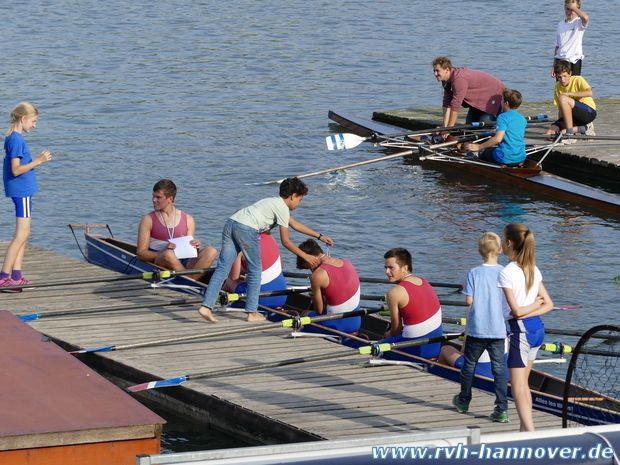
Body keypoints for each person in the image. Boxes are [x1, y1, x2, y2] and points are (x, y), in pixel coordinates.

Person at [198, 177, 333, 323]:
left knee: (222, 268)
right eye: (299, 200)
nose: (299, 204)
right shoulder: (282, 207)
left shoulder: (272, 202)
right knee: (256, 270)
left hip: (231, 222)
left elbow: (296, 225)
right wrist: (305, 256)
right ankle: (252, 312)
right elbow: (286, 242)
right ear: (293, 196)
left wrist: (319, 236)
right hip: (246, 228)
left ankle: (206, 306)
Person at [499, 223, 554, 432]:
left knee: (517, 386)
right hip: (537, 330)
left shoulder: (506, 273)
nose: (502, 243)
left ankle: (530, 434)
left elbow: (516, 312)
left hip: (519, 331)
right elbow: (548, 304)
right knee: (524, 384)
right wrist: (536, 305)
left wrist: (528, 308)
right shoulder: (532, 268)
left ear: (509, 243)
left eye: (503, 239)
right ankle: (524, 428)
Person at [451, 232, 509, 423]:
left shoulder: (474, 273)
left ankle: (464, 400)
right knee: (499, 369)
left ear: (479, 252)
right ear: (500, 250)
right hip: (498, 329)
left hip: (477, 328)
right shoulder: (505, 272)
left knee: (469, 365)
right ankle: (501, 408)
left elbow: (469, 300)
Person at [0, 102, 52, 292]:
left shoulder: (13, 137)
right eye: (33, 121)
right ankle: (4, 277)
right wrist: (39, 161)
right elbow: (15, 170)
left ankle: (15, 277)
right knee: (21, 234)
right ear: (23, 119)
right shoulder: (16, 140)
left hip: (23, 191)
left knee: (24, 234)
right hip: (21, 192)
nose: (34, 125)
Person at [137, 179, 217, 281]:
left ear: (170, 199)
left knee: (211, 251)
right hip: (161, 259)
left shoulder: (188, 219)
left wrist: (195, 247)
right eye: (153, 196)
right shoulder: (148, 220)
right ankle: (190, 280)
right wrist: (163, 251)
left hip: (183, 262)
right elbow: (141, 254)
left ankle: (189, 279)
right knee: (169, 254)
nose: (153, 200)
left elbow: (190, 252)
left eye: (158, 197)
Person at [381, 248, 443, 359]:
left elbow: (396, 331)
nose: (387, 272)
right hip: (435, 346)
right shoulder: (424, 281)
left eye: (391, 268)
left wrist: (389, 335)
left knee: (378, 346)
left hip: (415, 348)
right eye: (386, 268)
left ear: (405, 268)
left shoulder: (394, 293)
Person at [295, 239, 361, 334]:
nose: (311, 271)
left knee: (305, 314)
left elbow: (319, 310)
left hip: (335, 325)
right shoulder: (347, 262)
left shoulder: (317, 275)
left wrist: (314, 294)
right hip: (355, 323)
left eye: (308, 268)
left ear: (308, 261)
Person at [432, 56, 506, 130]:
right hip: (478, 100)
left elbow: (456, 104)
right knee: (469, 127)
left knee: (482, 129)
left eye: (437, 71)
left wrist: (449, 128)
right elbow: (446, 103)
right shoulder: (445, 80)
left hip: (494, 96)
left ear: (447, 70)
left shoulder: (459, 79)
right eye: (434, 71)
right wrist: (444, 127)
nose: (435, 74)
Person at [223, 231, 289, 310]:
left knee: (229, 281)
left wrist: (240, 268)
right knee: (251, 278)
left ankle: (221, 301)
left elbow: (234, 277)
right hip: (281, 297)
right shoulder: (270, 237)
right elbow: (281, 265)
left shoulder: (240, 243)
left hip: (260, 299)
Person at [463, 89, 527, 166]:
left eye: (502, 100)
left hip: (505, 159)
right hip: (521, 157)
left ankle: (478, 166)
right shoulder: (522, 118)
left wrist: (479, 147)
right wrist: (498, 131)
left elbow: (497, 139)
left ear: (506, 103)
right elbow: (513, 133)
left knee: (487, 150)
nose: (500, 102)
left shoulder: (502, 117)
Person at [544, 60, 596, 145]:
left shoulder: (578, 79)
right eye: (559, 77)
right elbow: (561, 109)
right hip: (572, 116)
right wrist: (560, 124)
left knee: (563, 98)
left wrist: (569, 94)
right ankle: (584, 128)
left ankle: (570, 134)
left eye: (564, 76)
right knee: (549, 135)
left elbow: (590, 93)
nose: (562, 80)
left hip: (588, 112)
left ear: (570, 73)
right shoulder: (557, 86)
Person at [552, 0, 589, 77]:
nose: (569, 12)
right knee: (561, 86)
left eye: (572, 10)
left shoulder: (579, 22)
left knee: (574, 86)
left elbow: (585, 17)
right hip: (561, 59)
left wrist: (574, 7)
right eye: (567, 9)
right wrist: (554, 65)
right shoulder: (560, 24)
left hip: (574, 59)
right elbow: (557, 46)